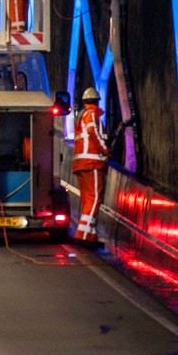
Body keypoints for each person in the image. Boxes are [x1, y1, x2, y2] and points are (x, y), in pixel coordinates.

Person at [70, 86, 108, 246]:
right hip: (91, 162)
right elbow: (94, 133)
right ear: (96, 101)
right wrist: (105, 150)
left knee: (87, 199)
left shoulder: (80, 116)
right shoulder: (92, 114)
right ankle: (84, 235)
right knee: (94, 198)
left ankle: (90, 235)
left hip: (80, 163)